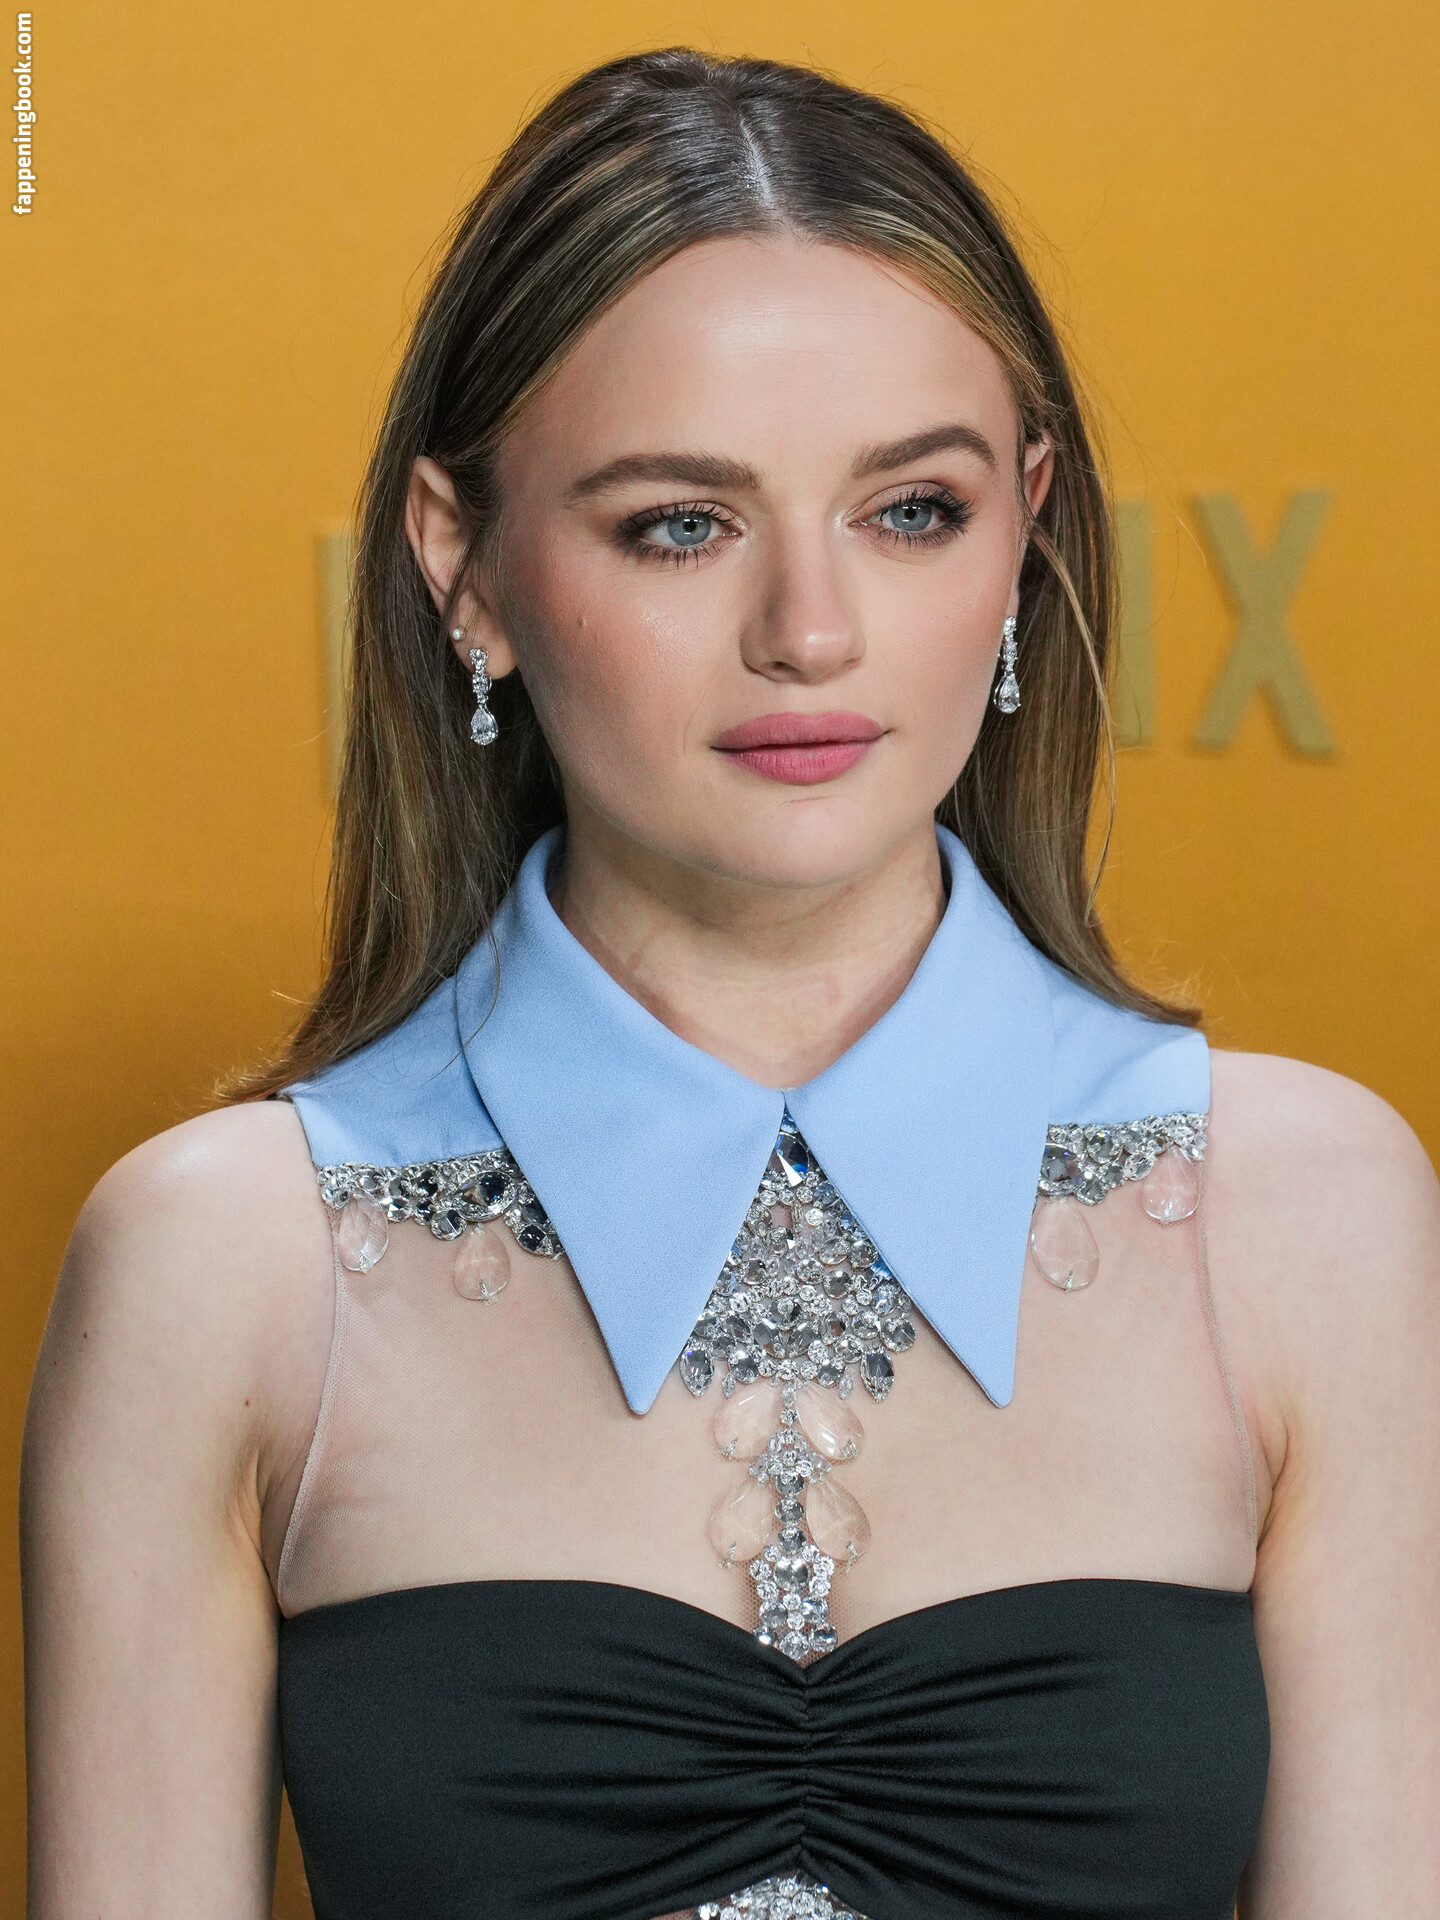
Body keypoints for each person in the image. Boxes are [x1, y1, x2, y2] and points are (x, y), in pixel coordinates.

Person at [20, 47, 1440, 1920]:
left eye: (911, 509)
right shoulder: (226, 1267)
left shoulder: (1308, 1219)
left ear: (1026, 530)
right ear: (464, 567)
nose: (810, 632)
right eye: (680, 524)